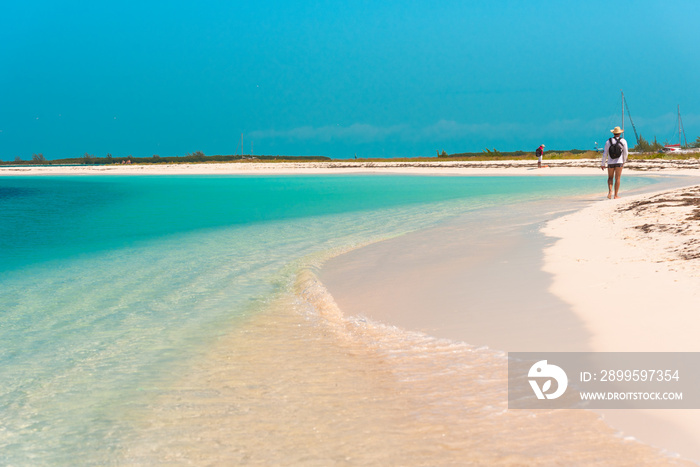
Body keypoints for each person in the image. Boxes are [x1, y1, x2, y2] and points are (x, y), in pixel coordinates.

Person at [601, 126, 628, 199]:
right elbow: (626, 153)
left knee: (610, 178)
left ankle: (610, 191)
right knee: (617, 178)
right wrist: (624, 161)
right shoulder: (623, 141)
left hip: (610, 162)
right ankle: (616, 195)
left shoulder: (608, 141)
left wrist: (603, 164)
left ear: (613, 133)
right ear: (620, 133)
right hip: (619, 162)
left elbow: (605, 153)